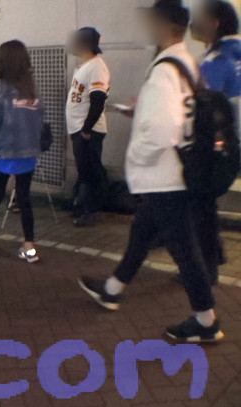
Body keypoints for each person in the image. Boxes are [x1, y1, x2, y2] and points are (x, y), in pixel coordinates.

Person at [78, 0, 224, 343]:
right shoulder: (188, 64)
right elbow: (181, 116)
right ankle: (112, 289)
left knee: (185, 251)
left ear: (163, 26)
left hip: (163, 177)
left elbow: (163, 130)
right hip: (178, 173)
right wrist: (142, 110)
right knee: (142, 235)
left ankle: (206, 321)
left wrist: (137, 162)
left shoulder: (164, 71)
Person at [0, 40, 46, 263]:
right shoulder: (31, 88)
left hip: (4, 150)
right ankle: (29, 247)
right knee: (24, 198)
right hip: (29, 151)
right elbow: (39, 119)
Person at [189, 0, 241, 284]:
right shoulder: (236, 52)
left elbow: (201, 105)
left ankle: (206, 270)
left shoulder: (215, 60)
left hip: (216, 146)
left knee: (201, 206)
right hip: (232, 144)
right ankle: (212, 259)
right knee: (204, 205)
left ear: (215, 23)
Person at [66, 27, 111, 227]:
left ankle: (91, 211)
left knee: (90, 172)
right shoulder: (85, 67)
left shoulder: (96, 66)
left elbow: (98, 99)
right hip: (79, 129)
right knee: (85, 170)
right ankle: (80, 205)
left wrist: (86, 129)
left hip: (88, 131)